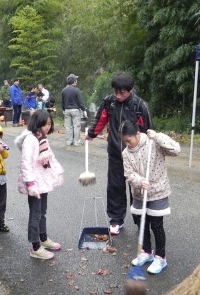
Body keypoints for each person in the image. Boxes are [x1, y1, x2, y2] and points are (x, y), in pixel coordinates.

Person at [86, 72, 154, 235]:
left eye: (122, 92)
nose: (118, 95)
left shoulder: (139, 106)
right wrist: (92, 134)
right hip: (116, 151)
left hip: (136, 154)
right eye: (116, 92)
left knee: (137, 187)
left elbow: (148, 131)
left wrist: (149, 150)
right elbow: (101, 119)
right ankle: (116, 219)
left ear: (131, 90)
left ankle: (140, 220)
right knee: (115, 186)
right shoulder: (110, 102)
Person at [121, 121, 180, 274]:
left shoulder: (153, 143)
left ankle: (161, 258)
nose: (128, 144)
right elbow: (128, 174)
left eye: (129, 140)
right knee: (142, 224)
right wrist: (139, 181)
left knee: (157, 226)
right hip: (140, 194)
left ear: (138, 135)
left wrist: (158, 136)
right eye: (125, 141)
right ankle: (146, 252)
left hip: (158, 191)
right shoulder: (126, 153)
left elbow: (176, 150)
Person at [15, 110, 64, 259]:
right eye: (45, 124)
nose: (48, 127)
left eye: (50, 124)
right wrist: (30, 185)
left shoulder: (43, 138)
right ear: (37, 123)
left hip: (43, 181)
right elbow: (26, 164)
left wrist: (58, 171)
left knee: (42, 212)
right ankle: (35, 247)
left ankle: (43, 239)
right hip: (34, 184)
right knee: (35, 214)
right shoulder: (30, 140)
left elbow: (50, 157)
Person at [61, 74, 87, 146]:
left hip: (67, 110)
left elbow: (62, 102)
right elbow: (80, 102)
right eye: (76, 80)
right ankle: (76, 142)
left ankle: (69, 141)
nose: (77, 81)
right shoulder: (76, 90)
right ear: (74, 81)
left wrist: (63, 109)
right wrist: (84, 110)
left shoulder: (63, 90)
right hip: (75, 110)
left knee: (68, 126)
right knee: (76, 126)